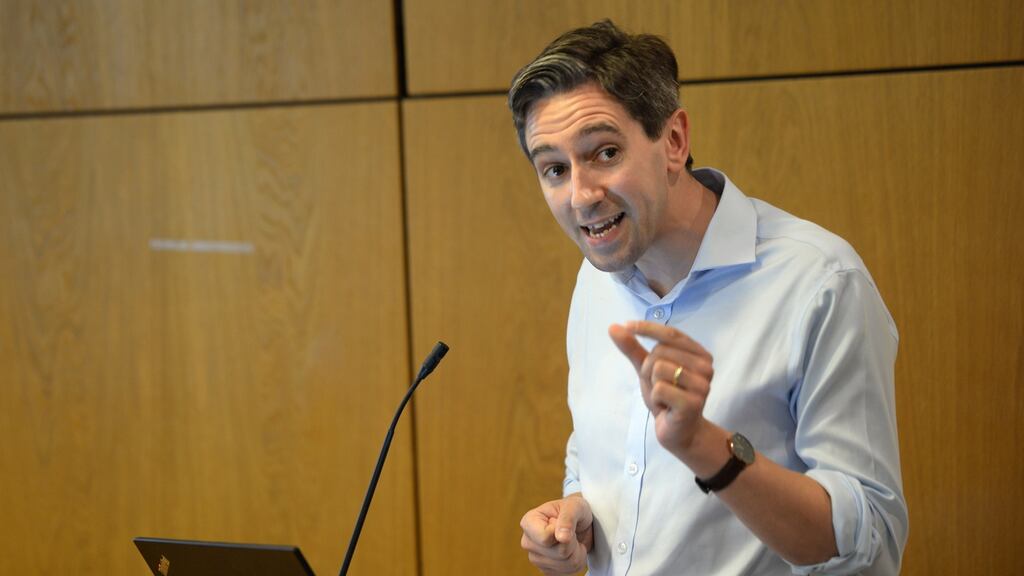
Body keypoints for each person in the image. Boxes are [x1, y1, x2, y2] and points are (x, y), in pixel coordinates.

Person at [509, 20, 908, 575]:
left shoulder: (821, 282)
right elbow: (599, 452)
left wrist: (703, 444)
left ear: (674, 142)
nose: (580, 196)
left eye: (604, 153)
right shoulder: (595, 278)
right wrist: (578, 511)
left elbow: (873, 544)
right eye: (554, 169)